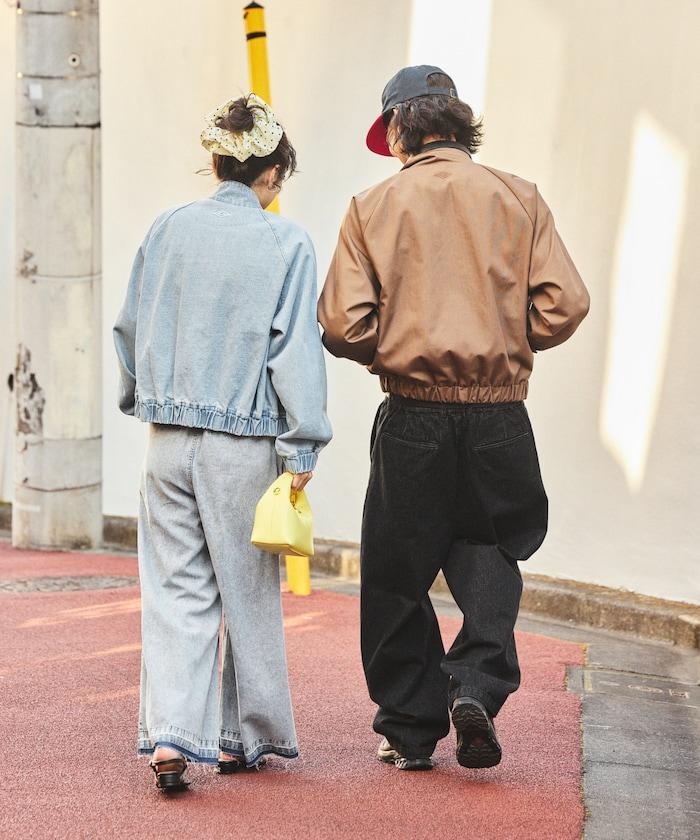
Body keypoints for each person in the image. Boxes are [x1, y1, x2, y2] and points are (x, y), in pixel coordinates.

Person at [318, 66, 589, 771]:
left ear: (401, 130)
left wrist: (400, 346)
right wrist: (508, 341)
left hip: (413, 413)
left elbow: (343, 325)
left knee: (395, 574)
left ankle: (410, 733)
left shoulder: (372, 206)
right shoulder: (518, 196)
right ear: (460, 126)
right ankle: (473, 684)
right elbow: (565, 304)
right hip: (499, 411)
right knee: (493, 549)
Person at [113, 93, 331, 791]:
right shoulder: (287, 241)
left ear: (216, 162)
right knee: (247, 591)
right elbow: (295, 351)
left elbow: (129, 327)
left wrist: (142, 397)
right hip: (243, 443)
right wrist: (302, 449)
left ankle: (172, 737)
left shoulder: (167, 227)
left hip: (167, 441)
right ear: (274, 173)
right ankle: (245, 736)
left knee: (175, 589)